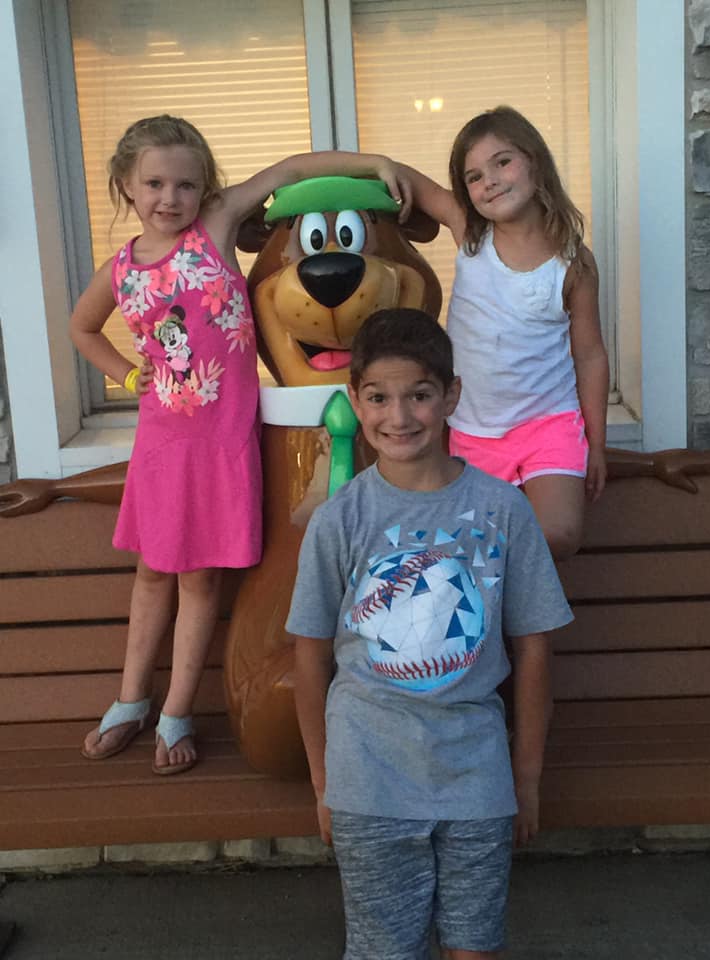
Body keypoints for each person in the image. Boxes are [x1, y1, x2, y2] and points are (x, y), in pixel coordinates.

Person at [71, 114, 405, 775]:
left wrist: (371, 161)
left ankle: (176, 711)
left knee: (199, 581)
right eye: (156, 184)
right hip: (163, 447)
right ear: (126, 187)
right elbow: (82, 330)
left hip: (220, 445)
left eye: (186, 184)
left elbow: (290, 171)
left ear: (207, 190)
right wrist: (130, 375)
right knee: (150, 575)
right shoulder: (120, 270)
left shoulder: (216, 228)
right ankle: (130, 699)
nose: (171, 198)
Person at [287, 307, 573, 959]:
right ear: (355, 402)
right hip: (368, 773)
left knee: (474, 948)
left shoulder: (503, 510)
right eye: (379, 398)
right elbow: (309, 659)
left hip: (475, 770)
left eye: (419, 395)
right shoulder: (340, 520)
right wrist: (323, 782)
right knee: (389, 950)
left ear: (450, 396)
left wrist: (524, 780)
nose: (400, 417)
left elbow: (533, 653)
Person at [369, 106, 609, 559]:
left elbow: (590, 355)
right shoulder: (472, 234)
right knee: (477, 548)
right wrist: (384, 169)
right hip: (474, 431)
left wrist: (596, 443)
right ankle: (506, 626)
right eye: (474, 176)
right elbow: (415, 184)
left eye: (503, 162)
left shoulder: (574, 262)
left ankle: (523, 615)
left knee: (556, 534)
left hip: (549, 424)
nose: (490, 180)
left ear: (535, 163)